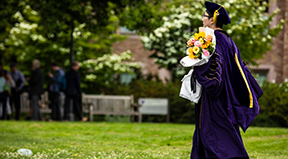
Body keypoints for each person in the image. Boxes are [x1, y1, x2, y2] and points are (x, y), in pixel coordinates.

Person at [190, 2, 263, 159]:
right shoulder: (228, 40)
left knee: (215, 133)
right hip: (227, 94)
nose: (202, 19)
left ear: (212, 20)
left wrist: (198, 69)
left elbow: (213, 68)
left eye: (204, 16)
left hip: (215, 96)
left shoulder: (213, 38)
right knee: (223, 129)